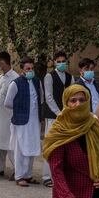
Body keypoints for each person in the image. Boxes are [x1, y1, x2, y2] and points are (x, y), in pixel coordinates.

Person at [4, 57, 42, 186]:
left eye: (32, 68)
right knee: (20, 148)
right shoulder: (15, 83)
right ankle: (19, 176)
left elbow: (40, 100)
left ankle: (28, 175)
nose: (30, 71)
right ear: (22, 70)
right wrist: (21, 108)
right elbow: (8, 103)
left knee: (31, 148)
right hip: (21, 121)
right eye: (28, 69)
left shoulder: (37, 82)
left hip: (34, 120)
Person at [41, 51, 73, 186]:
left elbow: (71, 95)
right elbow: (48, 97)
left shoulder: (70, 77)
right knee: (50, 145)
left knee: (64, 145)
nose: (61, 63)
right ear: (54, 62)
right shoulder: (49, 76)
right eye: (58, 61)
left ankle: (60, 175)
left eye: (63, 61)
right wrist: (58, 112)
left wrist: (68, 111)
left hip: (66, 116)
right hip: (53, 116)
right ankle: (47, 176)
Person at [0, 51, 19, 178]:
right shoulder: (1, 77)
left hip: (10, 117)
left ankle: (18, 170)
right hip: (0, 117)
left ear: (2, 61)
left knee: (9, 144)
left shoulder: (15, 78)